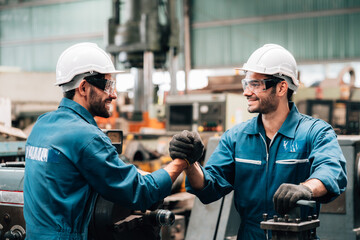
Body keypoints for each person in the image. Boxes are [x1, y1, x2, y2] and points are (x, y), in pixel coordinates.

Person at [169, 44, 347, 239]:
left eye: (256, 84)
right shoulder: (236, 137)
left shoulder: (315, 132)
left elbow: (332, 172)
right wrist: (190, 162)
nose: (246, 92)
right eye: (247, 83)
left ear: (281, 87)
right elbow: (208, 187)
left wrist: (306, 188)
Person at [23, 42, 190, 240]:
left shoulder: (42, 125)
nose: (114, 94)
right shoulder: (86, 137)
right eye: (108, 86)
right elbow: (139, 191)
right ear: (83, 87)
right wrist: (180, 162)